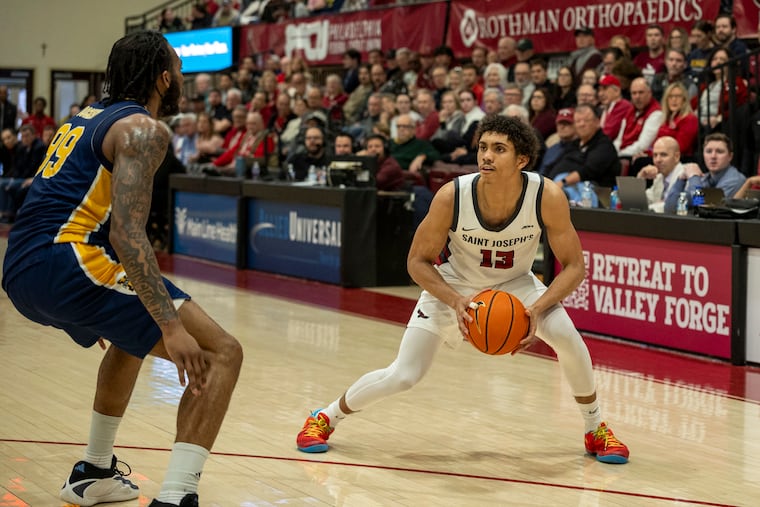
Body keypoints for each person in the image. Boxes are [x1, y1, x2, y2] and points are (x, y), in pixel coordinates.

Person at [295, 114, 629, 464]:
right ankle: (324, 418)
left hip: (517, 283)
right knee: (404, 374)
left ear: (521, 160)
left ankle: (595, 429)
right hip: (455, 284)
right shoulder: (452, 195)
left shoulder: (546, 195)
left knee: (568, 339)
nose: (486, 155)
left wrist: (535, 310)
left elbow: (575, 267)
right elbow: (417, 262)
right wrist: (455, 300)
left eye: (499, 149)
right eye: (483, 147)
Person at [1, 31, 242, 507]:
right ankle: (177, 497)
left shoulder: (85, 117)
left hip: (21, 267)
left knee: (133, 338)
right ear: (164, 78)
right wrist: (170, 326)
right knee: (221, 354)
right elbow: (128, 236)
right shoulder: (143, 129)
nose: (182, 83)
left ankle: (94, 472)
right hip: (66, 259)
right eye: (179, 71)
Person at [666, 132, 746, 210]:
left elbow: (704, 205)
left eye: (719, 152)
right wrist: (681, 179)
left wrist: (694, 177)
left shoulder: (735, 180)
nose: (713, 156)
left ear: (730, 156)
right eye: (708, 151)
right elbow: (670, 207)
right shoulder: (704, 179)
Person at [636, 136, 686, 213]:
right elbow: (643, 202)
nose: (658, 160)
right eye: (655, 155)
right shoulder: (659, 177)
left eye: (663, 155)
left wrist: (650, 208)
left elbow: (673, 206)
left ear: (676, 157)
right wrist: (640, 178)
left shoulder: (685, 175)